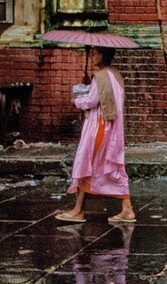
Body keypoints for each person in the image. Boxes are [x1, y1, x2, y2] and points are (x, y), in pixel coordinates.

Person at [55, 46, 136, 224]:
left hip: (99, 127)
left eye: (95, 53)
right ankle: (126, 208)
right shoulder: (114, 74)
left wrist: (76, 101)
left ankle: (78, 210)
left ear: (103, 55)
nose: (92, 56)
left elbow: (92, 101)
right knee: (109, 166)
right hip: (112, 127)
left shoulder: (100, 76)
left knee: (88, 164)